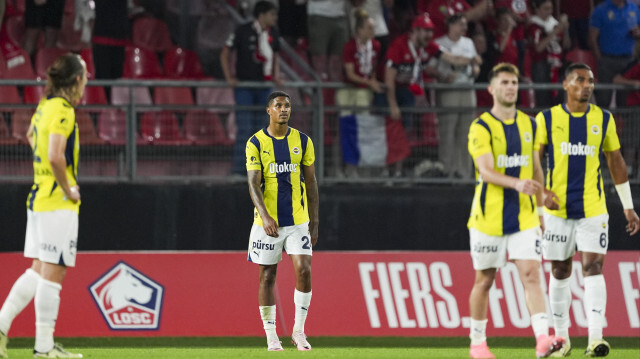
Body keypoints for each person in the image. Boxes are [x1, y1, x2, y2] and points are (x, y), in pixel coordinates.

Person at [536, 62, 640, 358]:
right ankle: (562, 340)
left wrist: (628, 207)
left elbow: (616, 162)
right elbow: (534, 160)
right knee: (560, 270)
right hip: (557, 212)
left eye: (591, 81)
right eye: (580, 80)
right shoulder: (547, 119)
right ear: (566, 85)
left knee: (593, 267)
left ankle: (596, 339)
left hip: (593, 209)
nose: (588, 85)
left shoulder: (604, 119)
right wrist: (542, 193)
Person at [467, 63, 565, 359]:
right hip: (488, 218)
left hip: (524, 217)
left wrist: (541, 203)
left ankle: (542, 340)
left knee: (531, 273)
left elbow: (535, 166)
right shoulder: (480, 127)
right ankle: (478, 344)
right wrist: (517, 183)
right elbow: (485, 171)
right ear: (492, 89)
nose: (511, 87)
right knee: (484, 280)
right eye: (505, 82)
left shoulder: (530, 124)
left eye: (514, 82)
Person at [0, 53, 87, 359]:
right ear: (76, 80)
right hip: (57, 202)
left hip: (38, 199)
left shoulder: (43, 107)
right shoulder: (63, 110)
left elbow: (29, 136)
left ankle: (1, 326)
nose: (86, 83)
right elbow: (54, 155)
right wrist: (70, 189)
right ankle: (44, 349)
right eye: (85, 77)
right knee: (54, 273)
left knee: (38, 270)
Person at [245, 91, 319, 351]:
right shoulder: (255, 142)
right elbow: (253, 183)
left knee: (304, 269)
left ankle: (298, 331)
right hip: (267, 224)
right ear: (269, 110)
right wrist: (264, 216)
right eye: (279, 105)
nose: (284, 109)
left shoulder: (303, 141)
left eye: (287, 105)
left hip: (298, 220)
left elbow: (310, 182)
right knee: (267, 277)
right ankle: (271, 334)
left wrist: (315, 221)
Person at [382, 12, 477, 177]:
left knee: (405, 130)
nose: (430, 35)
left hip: (406, 90)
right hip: (388, 91)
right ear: (415, 31)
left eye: (431, 31)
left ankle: (397, 172)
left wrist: (472, 59)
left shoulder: (429, 46)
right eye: (426, 31)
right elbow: (388, 79)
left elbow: (451, 59)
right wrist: (393, 105)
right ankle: (384, 170)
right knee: (390, 130)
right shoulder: (399, 46)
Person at [221, 0, 281, 176]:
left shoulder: (274, 33)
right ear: (261, 15)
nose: (274, 18)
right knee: (245, 128)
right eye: (272, 14)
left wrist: (276, 75)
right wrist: (229, 77)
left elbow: (276, 55)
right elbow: (225, 52)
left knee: (264, 129)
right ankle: (239, 170)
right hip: (245, 87)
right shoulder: (242, 30)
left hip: (264, 87)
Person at [433, 14, 480, 179]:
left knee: (467, 132)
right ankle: (447, 170)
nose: (464, 28)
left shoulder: (468, 43)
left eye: (465, 25)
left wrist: (475, 70)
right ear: (451, 25)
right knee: (448, 130)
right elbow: (430, 68)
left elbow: (476, 62)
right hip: (449, 90)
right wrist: (442, 77)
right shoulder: (439, 43)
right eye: (461, 24)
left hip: (467, 89)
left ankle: (464, 172)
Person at [589, 0, 640, 107]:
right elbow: (593, 37)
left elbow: (638, 29)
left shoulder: (634, 8)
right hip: (607, 59)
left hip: (628, 60)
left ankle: (625, 123)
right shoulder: (601, 10)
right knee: (604, 98)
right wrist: (599, 58)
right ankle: (602, 122)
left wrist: (637, 33)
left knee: (625, 99)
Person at [526, 0, 570, 108]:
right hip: (541, 65)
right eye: (546, 9)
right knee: (543, 100)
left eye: (551, 8)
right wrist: (555, 31)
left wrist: (565, 30)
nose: (549, 12)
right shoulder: (533, 26)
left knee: (559, 100)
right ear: (537, 10)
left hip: (558, 65)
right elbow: (538, 48)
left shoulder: (554, 23)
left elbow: (567, 45)